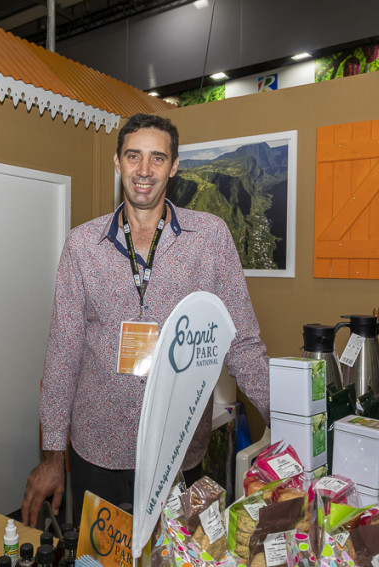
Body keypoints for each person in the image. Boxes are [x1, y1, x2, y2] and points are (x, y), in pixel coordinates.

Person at [20, 113, 270, 527]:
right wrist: (51, 455)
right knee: (99, 559)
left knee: (171, 557)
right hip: (97, 451)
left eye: (157, 158)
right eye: (134, 156)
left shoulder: (210, 239)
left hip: (179, 451)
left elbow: (241, 342)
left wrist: (289, 419)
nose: (144, 170)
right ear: (117, 162)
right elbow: (63, 354)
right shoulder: (83, 245)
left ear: (173, 167)